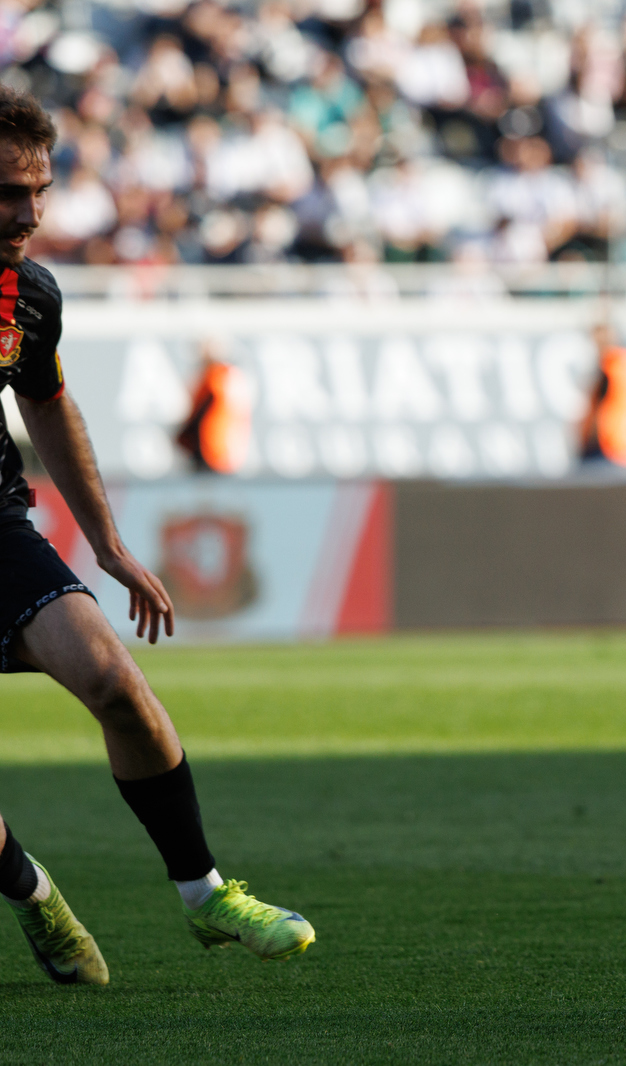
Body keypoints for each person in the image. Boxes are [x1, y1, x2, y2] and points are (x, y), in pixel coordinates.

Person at [0, 88, 313, 985]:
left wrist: (104, 543)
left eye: (40, 191)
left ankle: (205, 894)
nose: (28, 214)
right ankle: (32, 895)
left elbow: (47, 401)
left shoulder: (28, 294)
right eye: (5, 195)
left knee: (114, 678)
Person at [577, 324, 626, 468]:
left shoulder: (614, 365)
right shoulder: (624, 365)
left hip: (609, 447)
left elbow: (603, 408)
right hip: (616, 447)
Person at [174, 340, 250, 474]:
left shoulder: (216, 375)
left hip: (211, 446)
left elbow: (202, 410)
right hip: (220, 448)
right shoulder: (227, 375)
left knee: (207, 487)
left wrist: (185, 434)